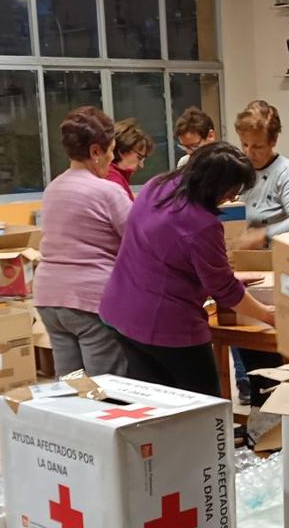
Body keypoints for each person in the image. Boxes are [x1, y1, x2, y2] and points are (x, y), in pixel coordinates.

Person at [99, 143, 275, 397]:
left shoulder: (156, 186)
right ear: (216, 185)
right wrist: (268, 315)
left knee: (153, 404)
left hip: (121, 313)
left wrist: (226, 276)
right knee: (203, 405)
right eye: (232, 191)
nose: (232, 198)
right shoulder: (202, 224)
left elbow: (166, 256)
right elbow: (224, 291)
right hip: (165, 325)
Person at [34, 106, 132, 377]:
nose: (112, 159)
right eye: (111, 151)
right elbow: (139, 240)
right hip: (90, 300)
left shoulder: (53, 188)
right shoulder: (107, 191)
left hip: (49, 297)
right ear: (95, 151)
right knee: (106, 390)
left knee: (72, 386)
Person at [232, 100, 289, 251]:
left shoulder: (286, 172)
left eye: (257, 146)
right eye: (244, 145)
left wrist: (264, 235)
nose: (249, 153)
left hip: (270, 256)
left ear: (273, 141)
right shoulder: (240, 169)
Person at [106, 119, 155, 200]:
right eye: (139, 157)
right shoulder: (114, 182)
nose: (141, 165)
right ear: (123, 150)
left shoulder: (112, 176)